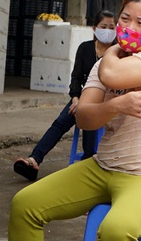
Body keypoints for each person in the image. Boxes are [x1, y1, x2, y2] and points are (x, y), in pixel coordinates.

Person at [8, 0, 141, 241]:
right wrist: (119, 104)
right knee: (25, 204)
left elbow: (113, 77)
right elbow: (84, 118)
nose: (130, 28)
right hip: (104, 167)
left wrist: (110, 54)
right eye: (125, 19)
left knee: (116, 231)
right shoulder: (105, 63)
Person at [13, 10, 116, 182]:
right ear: (94, 28)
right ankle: (34, 160)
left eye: (112, 27)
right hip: (83, 97)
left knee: (89, 125)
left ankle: (86, 168)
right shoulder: (85, 48)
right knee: (61, 122)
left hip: (105, 101)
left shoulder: (117, 52)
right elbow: (76, 78)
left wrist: (87, 103)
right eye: (103, 26)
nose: (108, 30)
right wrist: (76, 98)